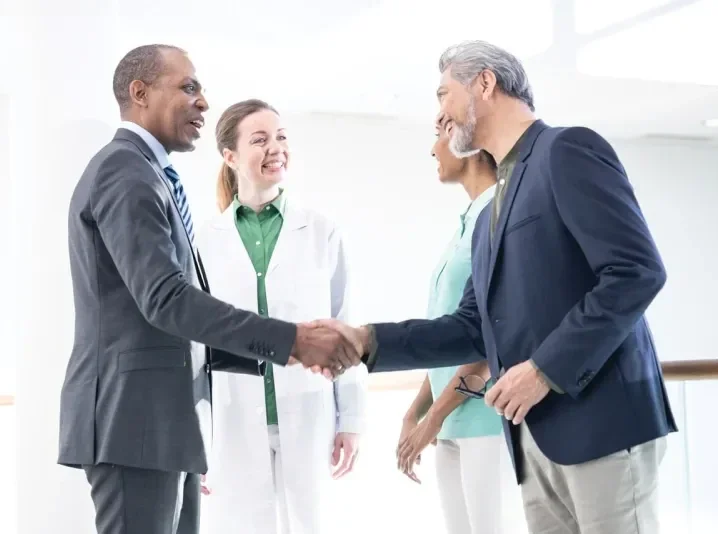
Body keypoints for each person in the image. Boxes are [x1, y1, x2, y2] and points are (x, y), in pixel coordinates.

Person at [320, 40, 675, 534]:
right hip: (533, 440)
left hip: (603, 428)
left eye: (444, 94)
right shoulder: (490, 211)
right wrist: (367, 342)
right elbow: (472, 328)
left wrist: (544, 370)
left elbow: (636, 271)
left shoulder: (567, 150)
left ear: (484, 84)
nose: (440, 112)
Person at [58, 45, 359, 534]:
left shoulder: (150, 174)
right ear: (140, 93)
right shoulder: (124, 170)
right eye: (188, 87)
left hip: (165, 424)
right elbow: (166, 299)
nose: (203, 101)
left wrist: (287, 354)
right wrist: (291, 341)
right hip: (136, 422)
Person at [196, 99, 368, 534]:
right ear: (230, 156)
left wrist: (351, 420)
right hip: (231, 422)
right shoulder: (204, 241)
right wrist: (193, 437)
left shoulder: (321, 230)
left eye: (281, 136)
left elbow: (347, 329)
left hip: (309, 409)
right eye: (260, 140)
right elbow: (194, 346)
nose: (276, 148)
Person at [397, 126, 520, 533]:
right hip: (450, 421)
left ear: (466, 147)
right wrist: (415, 411)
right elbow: (451, 336)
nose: (432, 147)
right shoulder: (467, 223)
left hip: (485, 420)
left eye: (438, 134)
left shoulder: (497, 218)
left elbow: (490, 340)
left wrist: (431, 418)